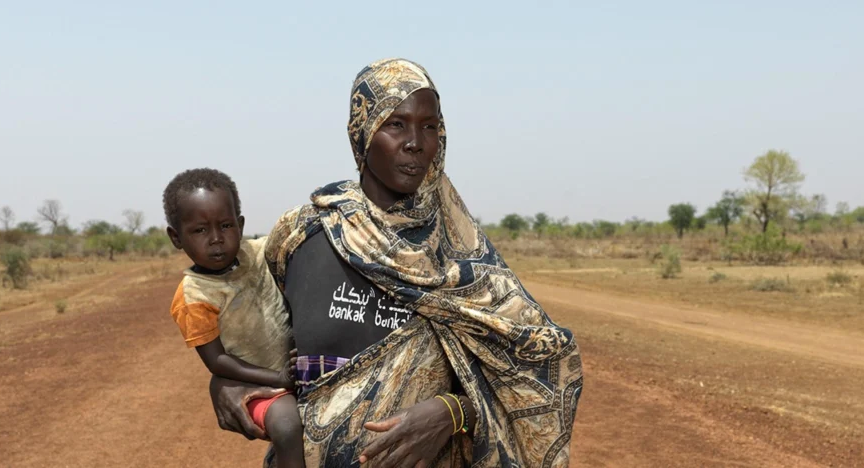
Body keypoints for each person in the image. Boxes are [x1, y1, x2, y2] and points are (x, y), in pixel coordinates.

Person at [211, 59, 584, 467]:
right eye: (396, 124)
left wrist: (454, 411)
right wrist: (223, 382)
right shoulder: (302, 234)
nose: (416, 143)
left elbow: (542, 367)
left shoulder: (460, 256)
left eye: (429, 126)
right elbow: (254, 335)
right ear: (363, 132)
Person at [163, 168, 305, 468]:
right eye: (200, 230)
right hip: (257, 386)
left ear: (240, 225)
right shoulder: (194, 296)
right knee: (288, 425)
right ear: (176, 237)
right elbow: (217, 362)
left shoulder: (263, 251)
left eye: (225, 225)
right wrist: (278, 379)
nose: (216, 239)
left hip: (301, 371)